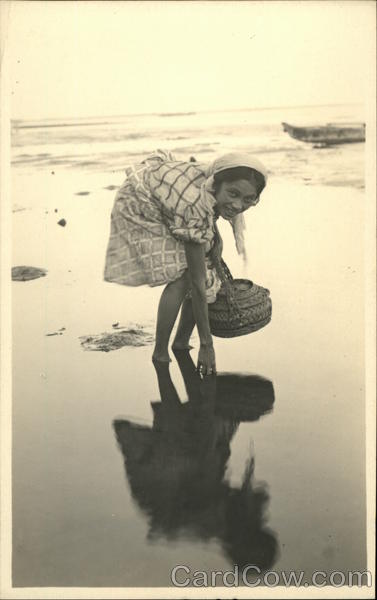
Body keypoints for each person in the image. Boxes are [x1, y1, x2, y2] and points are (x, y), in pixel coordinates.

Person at [104, 150, 267, 374]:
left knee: (205, 262)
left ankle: (180, 342)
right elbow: (199, 285)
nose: (238, 205)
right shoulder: (195, 204)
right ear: (215, 184)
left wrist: (214, 243)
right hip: (142, 201)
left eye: (248, 199)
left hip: (171, 196)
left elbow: (210, 223)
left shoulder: (214, 188)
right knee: (185, 277)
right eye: (233, 194)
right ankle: (160, 352)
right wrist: (206, 345)